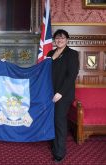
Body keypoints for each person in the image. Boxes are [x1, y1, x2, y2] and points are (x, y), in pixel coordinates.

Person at [46, 29, 79, 162]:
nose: (59, 40)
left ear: (67, 40)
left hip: (63, 94)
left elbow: (71, 76)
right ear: (54, 40)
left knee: (59, 121)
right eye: (57, 38)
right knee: (52, 120)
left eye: (62, 38)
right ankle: (54, 145)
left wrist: (60, 93)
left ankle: (60, 152)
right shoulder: (50, 53)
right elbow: (44, 71)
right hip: (49, 92)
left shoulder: (71, 54)